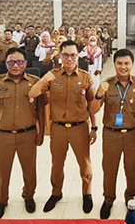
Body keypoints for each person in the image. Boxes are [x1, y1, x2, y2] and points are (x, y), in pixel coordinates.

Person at [0, 48, 47, 218]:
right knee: (2, 170)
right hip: (2, 135)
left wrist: (42, 131)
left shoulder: (35, 82)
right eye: (11, 62)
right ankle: (1, 200)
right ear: (6, 64)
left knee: (29, 169)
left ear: (25, 64)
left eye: (19, 62)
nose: (15, 65)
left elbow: (41, 109)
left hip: (27, 134)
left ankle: (29, 196)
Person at [29, 40, 98, 214]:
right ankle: (56, 192)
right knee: (57, 164)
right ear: (60, 55)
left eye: (73, 55)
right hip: (58, 128)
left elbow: (91, 104)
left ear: (78, 56)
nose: (69, 58)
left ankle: (87, 193)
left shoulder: (85, 77)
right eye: (66, 54)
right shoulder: (52, 76)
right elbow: (32, 93)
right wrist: (44, 79)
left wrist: (94, 127)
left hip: (80, 127)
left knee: (84, 164)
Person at [90, 49, 135, 219]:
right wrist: (98, 95)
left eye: (127, 63)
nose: (123, 67)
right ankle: (108, 199)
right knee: (109, 169)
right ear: (115, 64)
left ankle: (130, 196)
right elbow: (93, 110)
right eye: (119, 63)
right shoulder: (106, 84)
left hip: (133, 134)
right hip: (111, 135)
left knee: (132, 169)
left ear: (132, 65)